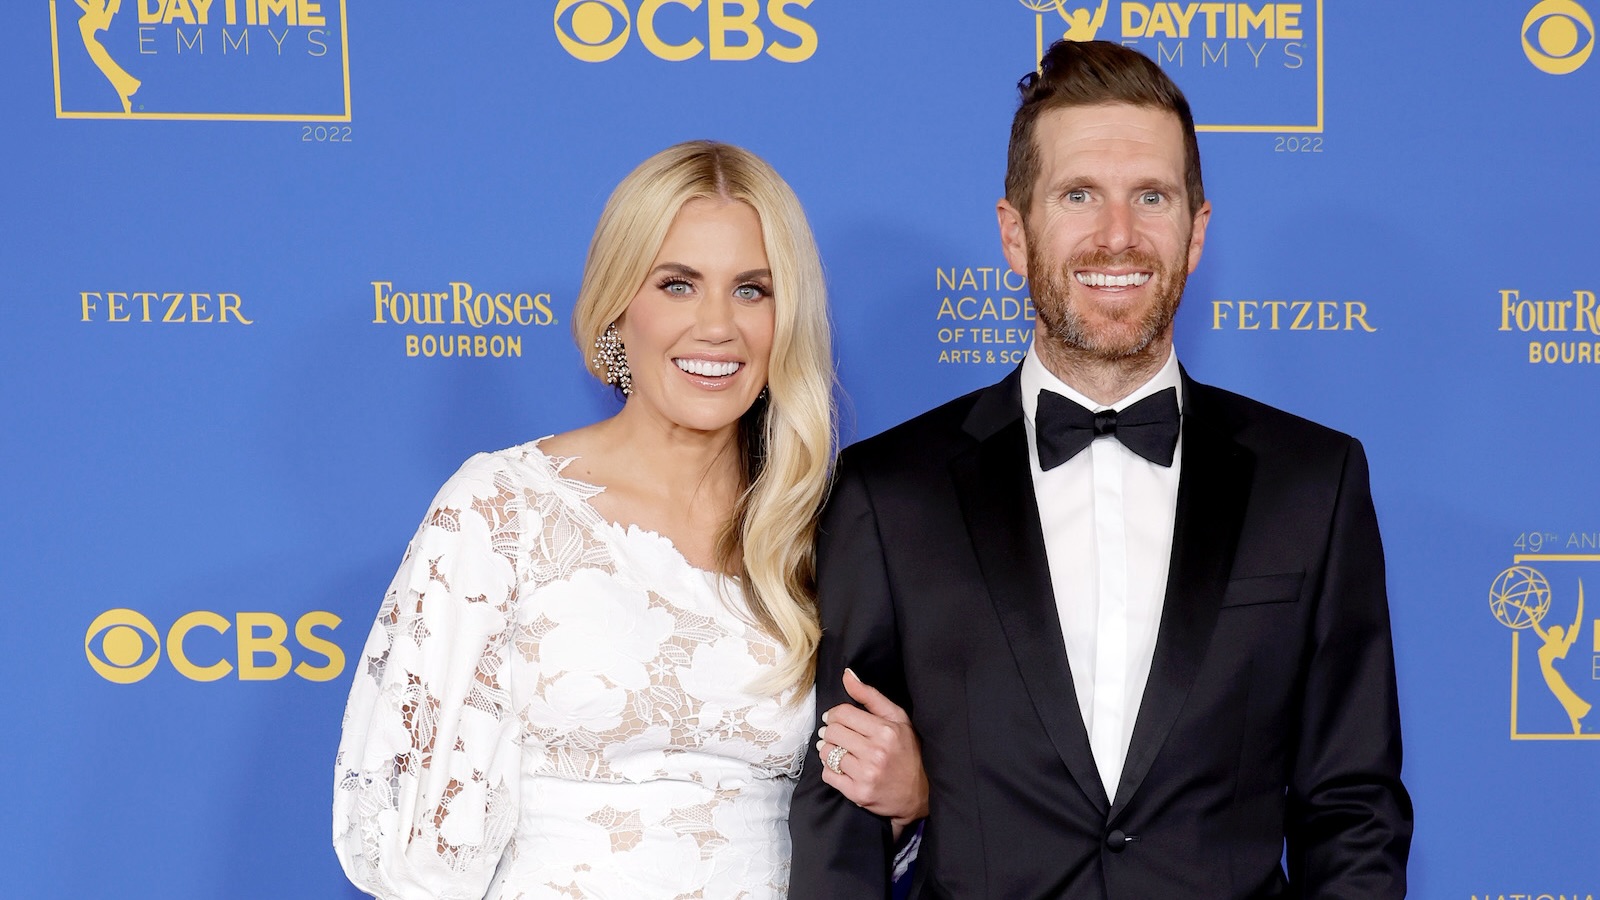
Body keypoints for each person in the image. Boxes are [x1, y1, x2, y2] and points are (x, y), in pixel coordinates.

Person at [789, 40, 1413, 898]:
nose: (1117, 236)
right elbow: (842, 811)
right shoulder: (890, 491)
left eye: (1150, 197)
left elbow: (1353, 807)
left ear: (1196, 233)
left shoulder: (1313, 481)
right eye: (1079, 195)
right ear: (1016, 232)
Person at [334, 140, 926, 899]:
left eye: (752, 290)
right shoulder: (500, 507)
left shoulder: (827, 530)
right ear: (619, 307)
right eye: (678, 284)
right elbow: (411, 841)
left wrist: (912, 804)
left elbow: (851, 833)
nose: (718, 326)